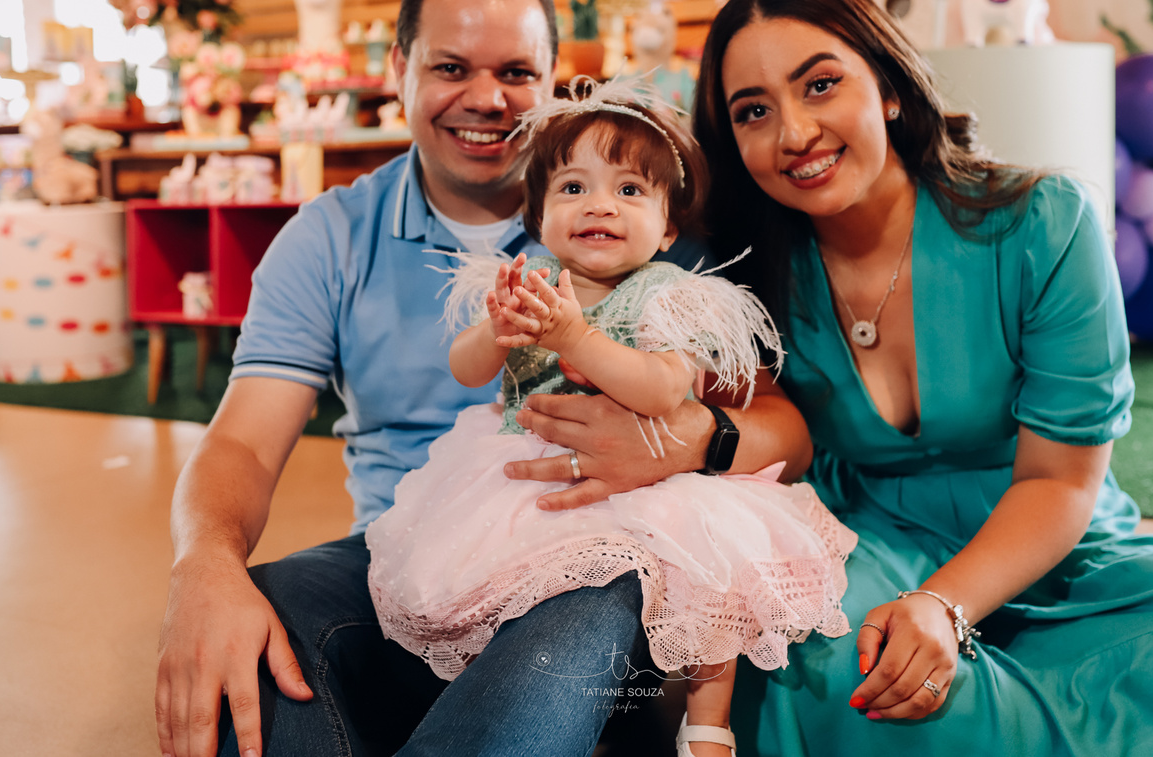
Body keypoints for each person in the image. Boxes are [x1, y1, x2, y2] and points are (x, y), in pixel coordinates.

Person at [154, 0, 811, 757]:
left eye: (516, 72)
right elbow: (244, 442)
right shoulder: (330, 235)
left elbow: (786, 428)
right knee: (263, 614)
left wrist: (695, 437)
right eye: (451, 67)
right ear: (399, 67)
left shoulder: (644, 225)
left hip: (598, 552)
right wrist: (204, 562)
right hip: (410, 549)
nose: (487, 98)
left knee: (589, 593)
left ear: (554, 80)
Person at [691, 0, 1153, 756]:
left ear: (888, 86)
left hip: (1052, 539)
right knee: (838, 675)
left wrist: (943, 604)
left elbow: (1060, 481)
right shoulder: (741, 272)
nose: (794, 133)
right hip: (862, 544)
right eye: (753, 111)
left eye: (820, 84)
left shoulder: (1046, 223)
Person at [363, 80, 857, 757]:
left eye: (629, 190)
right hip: (528, 473)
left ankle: (708, 722)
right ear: (539, 217)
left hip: (649, 478)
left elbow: (661, 391)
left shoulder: (671, 297)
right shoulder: (530, 281)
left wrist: (576, 337)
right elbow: (465, 370)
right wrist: (495, 333)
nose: (599, 204)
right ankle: (504, 695)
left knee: (713, 570)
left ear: (668, 227)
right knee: (495, 581)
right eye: (573, 187)